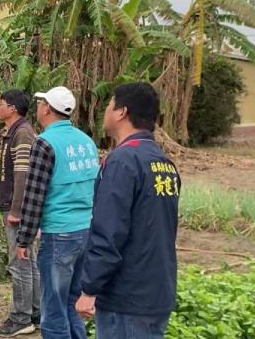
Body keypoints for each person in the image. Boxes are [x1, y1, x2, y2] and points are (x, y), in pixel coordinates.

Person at [76, 82, 180, 338]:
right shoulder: (162, 162)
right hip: (156, 291)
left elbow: (109, 232)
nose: (106, 112)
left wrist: (89, 289)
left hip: (127, 299)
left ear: (121, 112)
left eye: (109, 105)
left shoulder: (123, 161)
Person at [16, 86, 99, 339]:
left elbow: (34, 195)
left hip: (59, 234)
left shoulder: (44, 143)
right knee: (71, 302)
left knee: (52, 311)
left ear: (47, 109)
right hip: (85, 230)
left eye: (41, 103)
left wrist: (24, 238)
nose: (38, 107)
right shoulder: (86, 141)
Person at [0, 90, 40, 338]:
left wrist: (16, 210)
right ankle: (33, 313)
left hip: (16, 209)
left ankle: (21, 317)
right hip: (15, 206)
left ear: (12, 108)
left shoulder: (22, 133)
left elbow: (23, 174)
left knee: (19, 261)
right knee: (28, 261)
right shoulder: (16, 132)